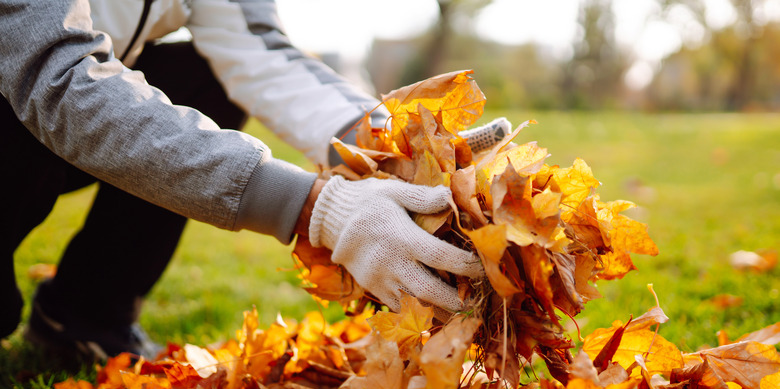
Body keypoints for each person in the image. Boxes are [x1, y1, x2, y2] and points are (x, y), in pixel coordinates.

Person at [0, 0, 500, 362]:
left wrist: (395, 142)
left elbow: (258, 53)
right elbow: (55, 79)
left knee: (204, 76)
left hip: (63, 121)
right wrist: (317, 207)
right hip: (24, 107)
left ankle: (85, 316)